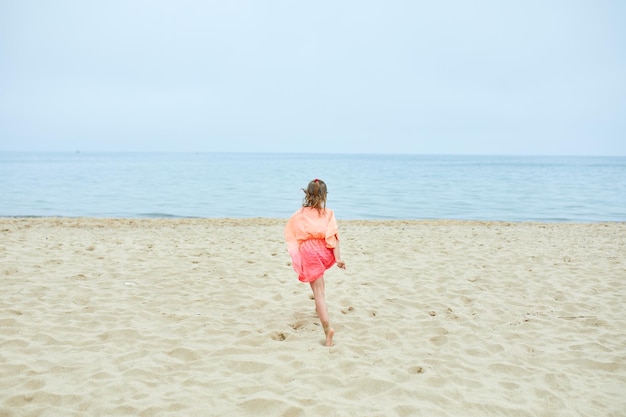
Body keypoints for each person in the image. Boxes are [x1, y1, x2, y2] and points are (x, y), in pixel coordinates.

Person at [284, 179, 346, 347]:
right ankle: (316, 310)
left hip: (309, 251)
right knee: (320, 283)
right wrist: (338, 258)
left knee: (317, 291)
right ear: (325, 196)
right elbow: (334, 237)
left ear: (307, 194)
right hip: (324, 250)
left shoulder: (300, 214)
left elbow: (293, 234)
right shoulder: (329, 213)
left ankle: (327, 330)